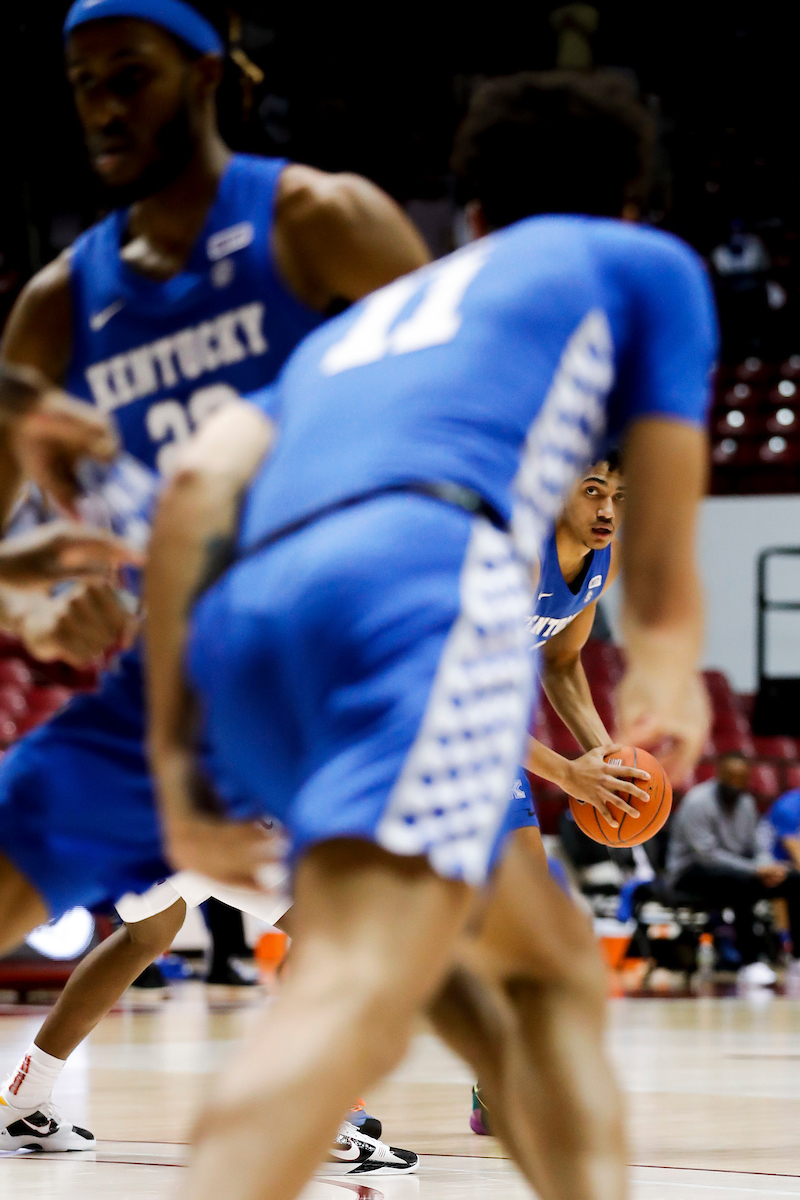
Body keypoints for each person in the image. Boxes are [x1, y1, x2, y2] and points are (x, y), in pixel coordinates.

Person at [143, 70, 715, 1200]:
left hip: (244, 607)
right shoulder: (638, 264)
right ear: (628, 202)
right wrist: (667, 671)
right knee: (359, 972)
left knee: (543, 971)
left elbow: (197, 484)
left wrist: (171, 763)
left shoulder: (361, 330)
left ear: (471, 215)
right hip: (413, 577)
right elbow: (657, 550)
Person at [0, 0, 427, 1164]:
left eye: (126, 71)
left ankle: (43, 1087)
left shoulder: (320, 221)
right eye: (80, 78)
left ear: (207, 73)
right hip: (177, 702)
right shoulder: (56, 304)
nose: (98, 100)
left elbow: (464, 400)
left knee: (165, 925)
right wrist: (27, 598)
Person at [470, 451, 652, 1135]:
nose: (608, 510)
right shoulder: (517, 560)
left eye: (620, 496)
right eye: (593, 491)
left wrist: (603, 756)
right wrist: (569, 774)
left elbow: (563, 662)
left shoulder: (601, 564)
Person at [666, 751, 800, 982]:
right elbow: (707, 856)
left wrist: (767, 867)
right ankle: (750, 962)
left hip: (737, 871)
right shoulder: (698, 802)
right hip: (689, 873)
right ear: (719, 774)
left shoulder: (746, 804)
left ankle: (797, 959)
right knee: (741, 883)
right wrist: (754, 870)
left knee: (794, 880)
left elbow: (756, 847)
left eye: (741, 777)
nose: (735, 783)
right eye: (730, 776)